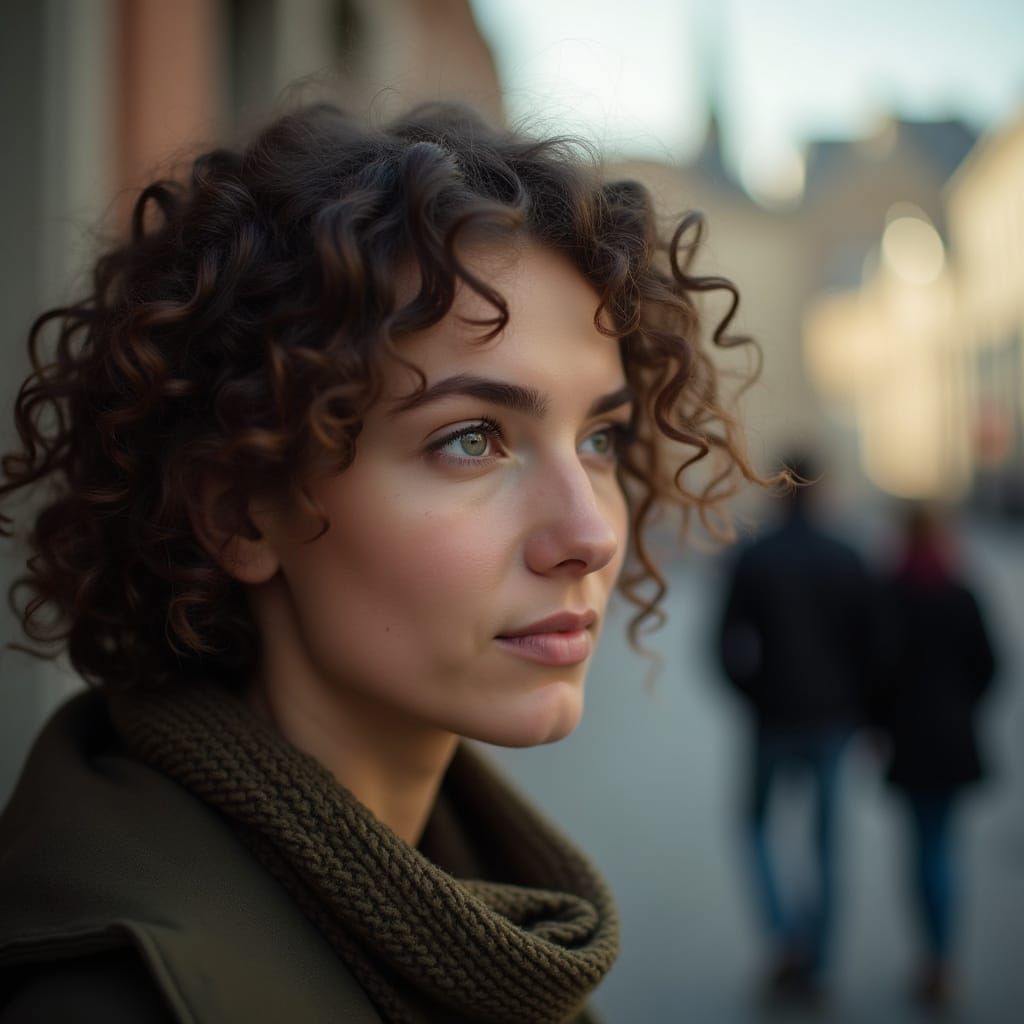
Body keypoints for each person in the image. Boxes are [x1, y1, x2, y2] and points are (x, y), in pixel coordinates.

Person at [0, 101, 764, 1022]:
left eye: (600, 437)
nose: (592, 534)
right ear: (240, 510)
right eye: (473, 438)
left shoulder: (472, 902)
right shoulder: (111, 1001)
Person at [716, 452, 872, 1002]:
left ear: (777, 489)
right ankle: (819, 957)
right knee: (828, 842)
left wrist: (753, 696)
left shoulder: (755, 556)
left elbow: (723, 645)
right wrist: (863, 711)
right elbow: (874, 648)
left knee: (755, 826)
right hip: (834, 720)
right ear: (822, 492)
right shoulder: (849, 557)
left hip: (773, 718)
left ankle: (787, 939)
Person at [869, 503, 997, 1010]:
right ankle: (943, 959)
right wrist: (964, 708)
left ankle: (933, 959)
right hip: (954, 739)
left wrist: (879, 723)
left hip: (909, 741)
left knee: (922, 848)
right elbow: (991, 665)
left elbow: (875, 670)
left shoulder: (890, 592)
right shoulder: (961, 592)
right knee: (944, 846)